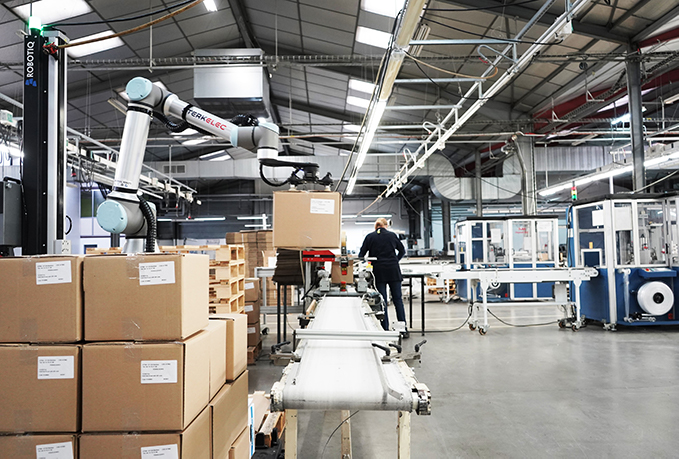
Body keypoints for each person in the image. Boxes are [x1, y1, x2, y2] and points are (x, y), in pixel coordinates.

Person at [358, 218, 408, 336]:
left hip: (378, 272)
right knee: (398, 300)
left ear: (376, 227)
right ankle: (402, 329)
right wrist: (395, 260)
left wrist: (369, 263)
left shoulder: (370, 237)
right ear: (386, 226)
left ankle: (384, 329)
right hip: (393, 270)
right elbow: (402, 251)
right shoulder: (392, 235)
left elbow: (361, 255)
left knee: (382, 301)